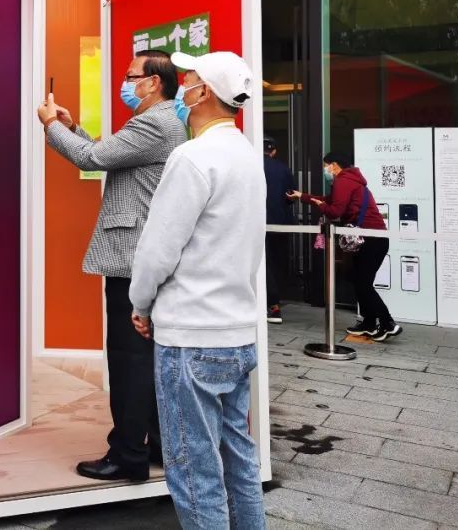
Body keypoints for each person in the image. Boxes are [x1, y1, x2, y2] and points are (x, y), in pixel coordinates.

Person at [129, 50, 266, 530]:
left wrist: (141, 303)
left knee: (193, 470)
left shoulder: (192, 157)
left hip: (191, 336)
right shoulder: (247, 156)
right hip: (237, 332)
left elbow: (158, 249)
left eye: (187, 81)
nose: (181, 88)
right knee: (239, 459)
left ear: (203, 92)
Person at [37, 49, 185, 482]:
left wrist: (49, 125)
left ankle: (127, 455)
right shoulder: (160, 122)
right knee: (145, 359)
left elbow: (93, 159)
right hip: (141, 256)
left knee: (128, 360)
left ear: (153, 82)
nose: (126, 82)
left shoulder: (154, 123)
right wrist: (70, 128)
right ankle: (156, 446)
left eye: (131, 76)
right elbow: (106, 151)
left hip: (131, 259)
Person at [288, 153, 402, 342]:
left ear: (334, 165)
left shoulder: (343, 181)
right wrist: (303, 196)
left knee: (363, 284)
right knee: (358, 281)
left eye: (325, 166)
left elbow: (334, 211)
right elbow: (329, 199)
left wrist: (321, 206)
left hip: (370, 240)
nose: (325, 170)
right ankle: (369, 323)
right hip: (373, 239)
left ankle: (388, 323)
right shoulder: (351, 180)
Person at [263, 136, 296, 324]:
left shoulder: (251, 166)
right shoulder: (283, 169)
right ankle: (276, 303)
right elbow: (291, 196)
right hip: (281, 223)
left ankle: (271, 304)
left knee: (263, 263)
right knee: (277, 261)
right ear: (273, 151)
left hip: (258, 222)